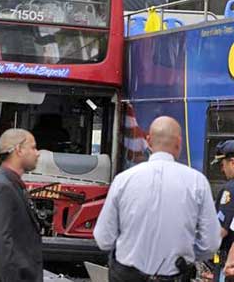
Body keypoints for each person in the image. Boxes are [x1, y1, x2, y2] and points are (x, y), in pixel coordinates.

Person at [94, 116, 221, 282]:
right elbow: (210, 243)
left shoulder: (123, 180)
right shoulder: (197, 182)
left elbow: (103, 238)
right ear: (179, 142)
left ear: (148, 140)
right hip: (174, 274)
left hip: (127, 275)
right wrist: (187, 255)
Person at [0, 128, 43, 282]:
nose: (37, 153)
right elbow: (0, 243)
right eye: (33, 147)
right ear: (18, 149)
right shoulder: (1, 187)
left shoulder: (12, 185)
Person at [210, 140, 234, 281]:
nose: (222, 169)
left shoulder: (230, 189)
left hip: (229, 262)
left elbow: (221, 230)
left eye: (222, 164)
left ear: (232, 162)